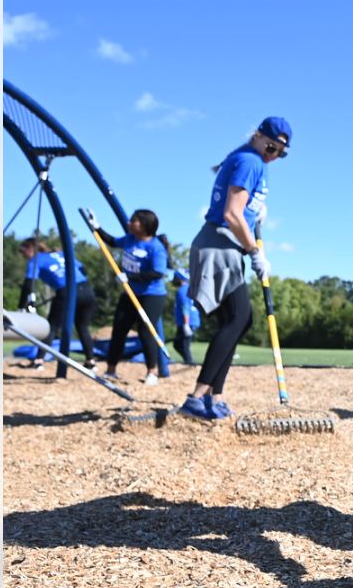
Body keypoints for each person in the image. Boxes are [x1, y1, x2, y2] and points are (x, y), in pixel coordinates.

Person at [182, 116, 291, 419]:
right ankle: (198, 396)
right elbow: (231, 213)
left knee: (237, 320)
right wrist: (255, 252)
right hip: (219, 244)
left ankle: (212, 397)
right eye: (271, 146)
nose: (273, 154)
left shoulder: (251, 161)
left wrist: (256, 211)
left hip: (223, 246)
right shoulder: (250, 160)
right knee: (239, 317)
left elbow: (242, 208)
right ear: (257, 136)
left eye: (280, 152)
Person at [82, 208, 168, 385]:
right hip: (129, 293)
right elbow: (112, 241)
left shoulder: (155, 247)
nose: (129, 223)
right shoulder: (129, 239)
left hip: (151, 294)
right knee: (119, 329)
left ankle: (152, 372)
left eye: (134, 221)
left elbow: (157, 273)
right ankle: (111, 369)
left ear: (144, 226)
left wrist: (131, 277)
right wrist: (97, 227)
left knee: (145, 332)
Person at [17, 236, 97, 369]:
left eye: (23, 252)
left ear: (30, 249)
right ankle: (91, 361)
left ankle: (39, 361)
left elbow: (29, 284)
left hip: (67, 291)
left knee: (51, 327)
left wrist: (21, 306)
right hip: (87, 290)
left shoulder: (36, 260)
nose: (23, 256)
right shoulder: (60, 254)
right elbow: (83, 270)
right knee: (83, 327)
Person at [171, 269, 201, 365]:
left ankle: (189, 363)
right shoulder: (189, 288)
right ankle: (188, 361)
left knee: (184, 345)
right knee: (177, 344)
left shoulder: (182, 291)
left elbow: (185, 308)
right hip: (189, 321)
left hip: (188, 322)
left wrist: (186, 324)